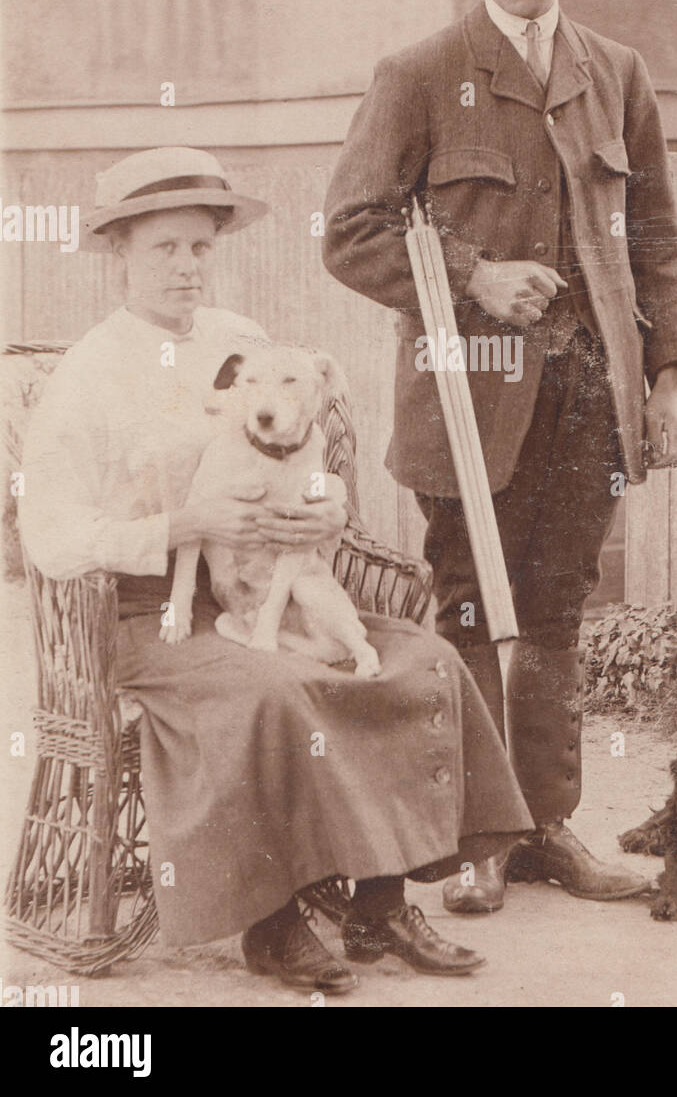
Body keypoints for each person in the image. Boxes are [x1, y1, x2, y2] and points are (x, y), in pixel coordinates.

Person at [20, 146, 534, 992]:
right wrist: (183, 523)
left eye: (199, 248)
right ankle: (272, 919)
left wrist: (329, 504)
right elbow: (52, 536)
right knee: (272, 689)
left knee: (425, 657)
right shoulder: (88, 376)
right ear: (117, 254)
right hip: (150, 614)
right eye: (163, 249)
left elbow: (308, 447)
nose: (187, 268)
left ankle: (379, 899)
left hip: (276, 577)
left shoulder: (240, 340)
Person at [323, 0, 677, 914]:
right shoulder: (417, 75)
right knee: (465, 610)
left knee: (554, 615)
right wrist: (472, 276)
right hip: (465, 400)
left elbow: (657, 239)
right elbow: (347, 233)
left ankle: (546, 828)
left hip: (590, 399)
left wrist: (666, 381)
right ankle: (473, 838)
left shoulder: (614, 74)